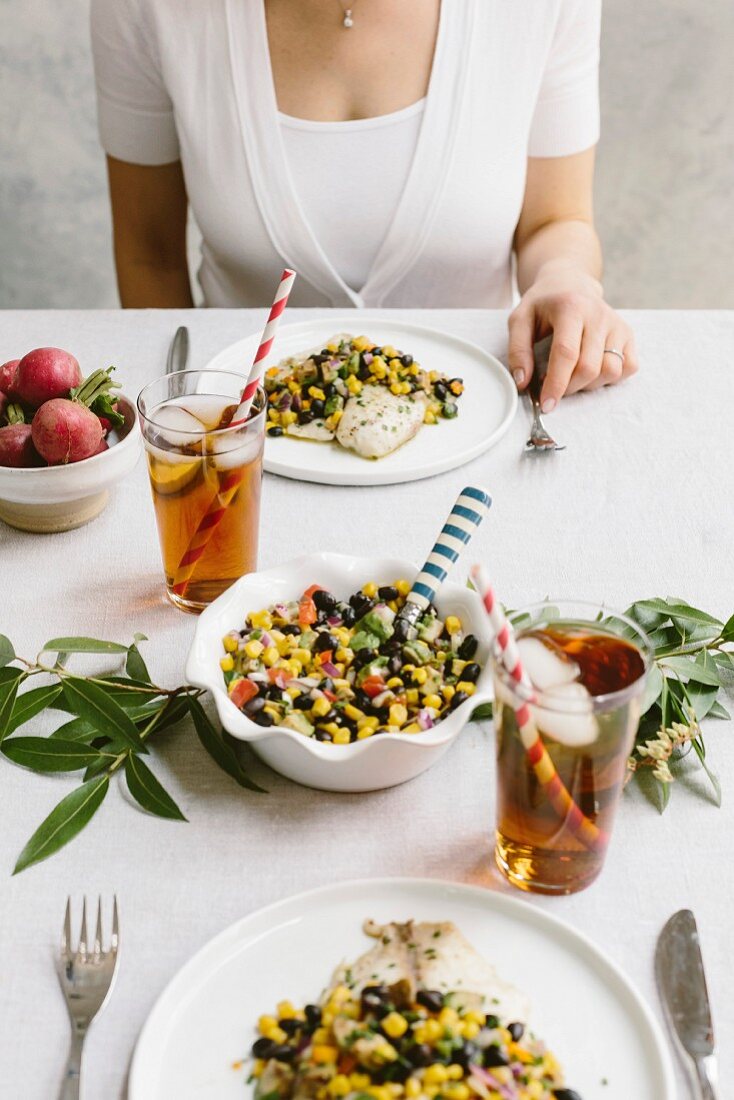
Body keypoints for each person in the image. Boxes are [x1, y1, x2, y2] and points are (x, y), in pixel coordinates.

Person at [90, 0, 637, 410]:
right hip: (241, 443)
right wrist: (187, 418)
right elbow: (148, 251)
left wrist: (568, 278)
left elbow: (556, 220)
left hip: (484, 417)